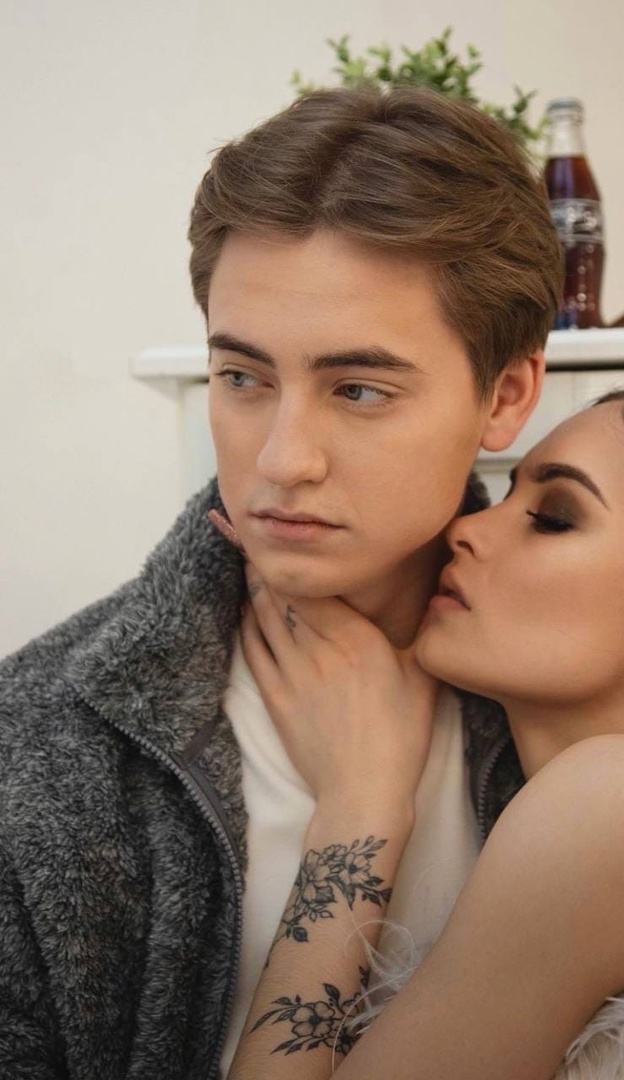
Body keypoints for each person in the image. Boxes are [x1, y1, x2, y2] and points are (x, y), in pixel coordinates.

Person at [0, 86, 559, 1078]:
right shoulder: (36, 744)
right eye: (244, 378)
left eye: (359, 389)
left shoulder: (600, 680)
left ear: (505, 395)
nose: (282, 460)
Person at [226, 389, 624, 1080]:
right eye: (509, 494)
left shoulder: (621, 802)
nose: (464, 528)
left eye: (552, 518)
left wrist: (361, 805)